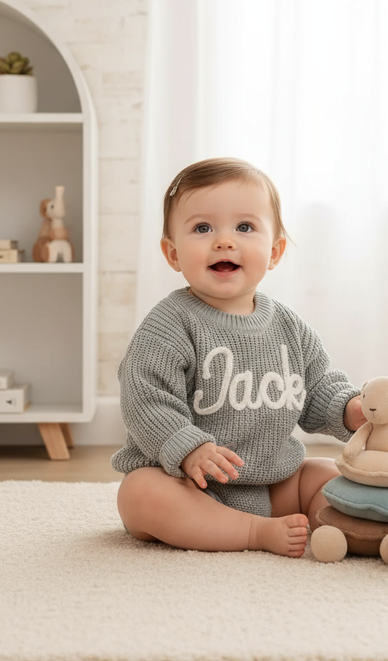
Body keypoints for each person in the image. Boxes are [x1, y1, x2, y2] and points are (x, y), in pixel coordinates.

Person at [111, 157, 367, 557]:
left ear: (275, 250)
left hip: (270, 484)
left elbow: (318, 389)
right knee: (139, 493)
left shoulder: (288, 326)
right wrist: (187, 447)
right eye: (202, 228)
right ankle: (252, 533)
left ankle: (356, 527)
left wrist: (352, 409)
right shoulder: (169, 324)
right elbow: (145, 398)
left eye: (244, 227)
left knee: (329, 475)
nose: (224, 241)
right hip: (188, 486)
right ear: (173, 253)